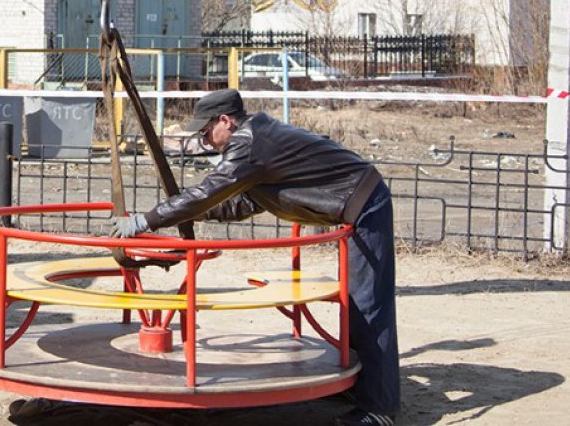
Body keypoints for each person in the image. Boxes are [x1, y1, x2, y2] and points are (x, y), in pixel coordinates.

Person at [110, 88, 399, 426]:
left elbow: (209, 190)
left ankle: (379, 408)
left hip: (364, 204)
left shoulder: (249, 144)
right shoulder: (259, 143)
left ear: (225, 121)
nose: (206, 140)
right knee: (356, 303)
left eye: (206, 132)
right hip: (353, 204)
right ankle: (360, 386)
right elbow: (243, 202)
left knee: (367, 305)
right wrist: (191, 214)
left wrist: (146, 220)